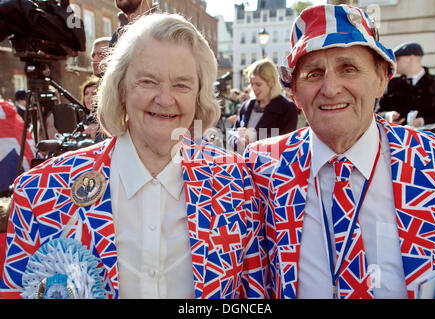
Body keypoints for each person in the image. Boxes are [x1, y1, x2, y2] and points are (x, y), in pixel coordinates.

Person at [0, 13, 266, 299]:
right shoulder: (42, 193)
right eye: (148, 81)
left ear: (199, 94)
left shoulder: (236, 184)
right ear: (121, 88)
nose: (165, 99)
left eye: (181, 84)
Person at [246, 4, 435, 299]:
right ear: (295, 94)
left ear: (381, 79)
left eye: (349, 69)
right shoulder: (263, 167)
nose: (330, 88)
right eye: (314, 73)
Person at [227, 58, 298, 154]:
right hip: (244, 164)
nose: (254, 88)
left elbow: (287, 146)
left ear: (271, 82)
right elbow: (231, 137)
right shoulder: (246, 106)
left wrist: (253, 138)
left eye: (258, 84)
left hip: (270, 166)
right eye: (251, 84)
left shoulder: (287, 108)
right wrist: (239, 140)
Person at [378, 42, 435, 127]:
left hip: (430, 137)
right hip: (400, 137)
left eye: (397, 59)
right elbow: (377, 112)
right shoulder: (392, 84)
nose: (393, 63)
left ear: (410, 58)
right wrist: (388, 116)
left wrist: (423, 120)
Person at [80, 76, 104, 142]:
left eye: (94, 93)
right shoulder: (81, 118)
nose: (89, 97)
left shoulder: (106, 118)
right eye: (86, 93)